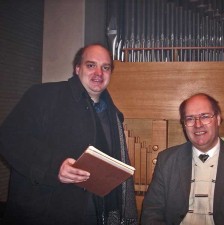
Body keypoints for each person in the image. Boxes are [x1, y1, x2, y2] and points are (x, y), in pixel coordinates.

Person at [0, 43, 138, 225]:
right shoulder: (43, 95)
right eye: (91, 65)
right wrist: (55, 166)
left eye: (105, 68)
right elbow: (9, 138)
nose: (99, 73)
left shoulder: (114, 115)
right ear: (77, 68)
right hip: (45, 214)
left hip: (96, 215)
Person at [141, 93, 224, 225]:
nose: (198, 124)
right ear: (184, 125)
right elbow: (152, 212)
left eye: (205, 116)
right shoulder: (167, 160)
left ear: (218, 119)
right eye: (190, 118)